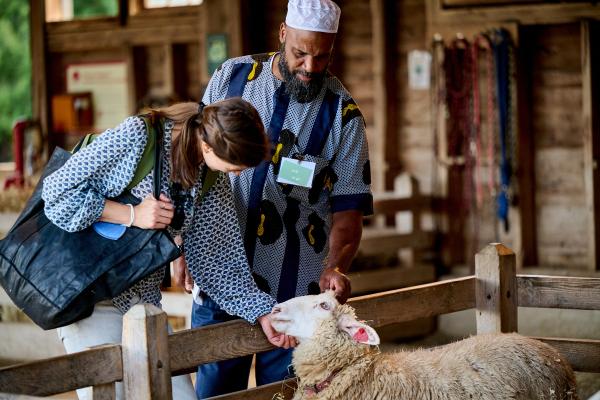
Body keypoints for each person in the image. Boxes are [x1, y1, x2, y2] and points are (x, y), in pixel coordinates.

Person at [175, 0, 373, 397]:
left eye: (322, 56)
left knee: (282, 393)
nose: (310, 67)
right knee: (215, 393)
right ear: (283, 33)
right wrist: (181, 244)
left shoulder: (342, 115)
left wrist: (337, 267)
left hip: (294, 296)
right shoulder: (231, 78)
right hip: (220, 274)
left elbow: (349, 209)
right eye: (301, 52)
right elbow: (191, 160)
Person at [41, 98, 290, 400]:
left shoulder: (210, 176)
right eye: (235, 166)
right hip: (89, 295)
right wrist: (132, 215)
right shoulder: (139, 136)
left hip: (141, 300)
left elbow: (218, 262)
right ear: (208, 146)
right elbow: (55, 192)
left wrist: (262, 312)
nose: (238, 174)